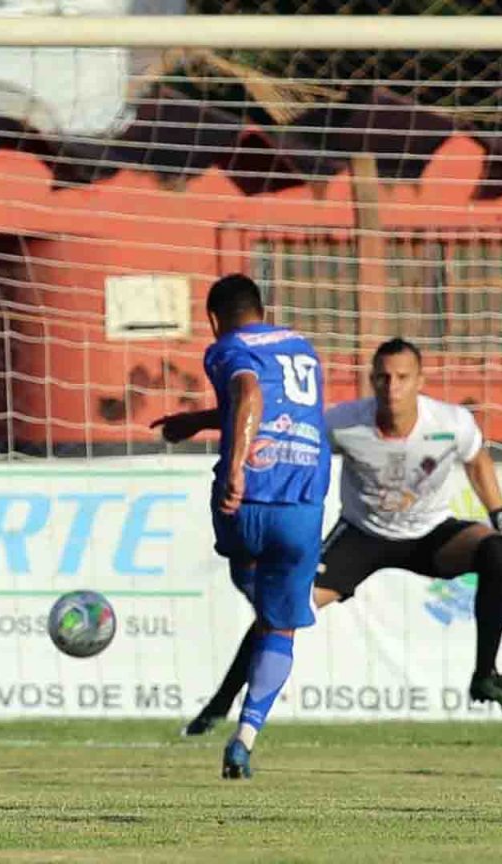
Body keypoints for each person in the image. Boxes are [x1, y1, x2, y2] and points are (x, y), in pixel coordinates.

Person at [161, 338, 502, 734]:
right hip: (363, 535)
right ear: (371, 380)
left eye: (401, 377)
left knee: (496, 553)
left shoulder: (452, 423)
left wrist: (501, 519)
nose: (390, 387)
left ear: (420, 381)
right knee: (280, 610)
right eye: (381, 377)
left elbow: (477, 460)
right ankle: (220, 705)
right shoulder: (344, 422)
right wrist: (199, 421)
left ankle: (486, 675)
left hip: (431, 534)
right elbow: (277, 417)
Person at [179, 273, 331, 779]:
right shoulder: (303, 348)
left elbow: (249, 393)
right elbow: (278, 407)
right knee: (279, 625)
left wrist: (239, 465)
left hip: (245, 500)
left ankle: (260, 593)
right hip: (302, 503)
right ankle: (245, 737)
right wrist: (204, 420)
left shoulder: (226, 347)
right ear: (262, 308)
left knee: (245, 568)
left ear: (213, 318)